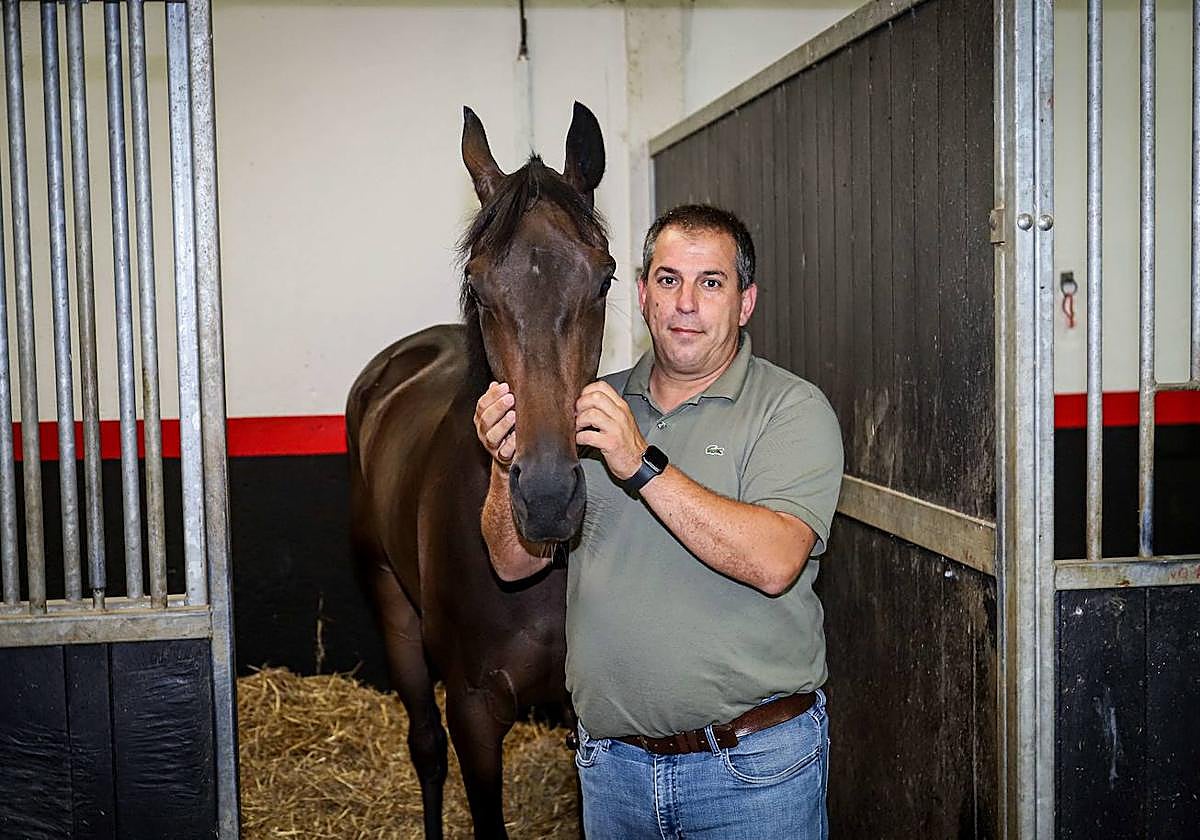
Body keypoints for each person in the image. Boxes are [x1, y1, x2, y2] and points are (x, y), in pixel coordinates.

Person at [474, 204, 844, 839]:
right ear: (642, 296)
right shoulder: (587, 405)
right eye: (669, 280)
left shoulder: (790, 408)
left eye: (711, 283)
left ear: (745, 302)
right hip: (613, 773)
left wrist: (639, 461)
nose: (686, 305)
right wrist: (504, 462)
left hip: (751, 773)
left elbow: (776, 560)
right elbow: (514, 561)